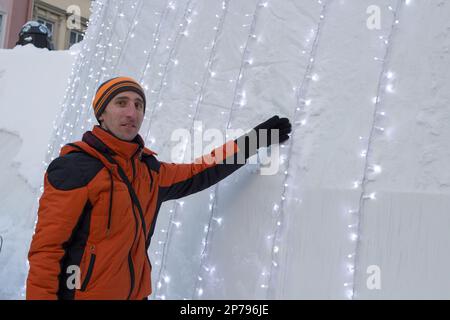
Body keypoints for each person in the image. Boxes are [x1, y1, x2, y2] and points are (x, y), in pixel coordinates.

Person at [26, 76, 292, 300]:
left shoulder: (149, 172)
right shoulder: (75, 168)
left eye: (138, 105)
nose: (132, 112)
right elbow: (47, 250)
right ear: (102, 114)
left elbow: (200, 171)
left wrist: (254, 140)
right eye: (121, 103)